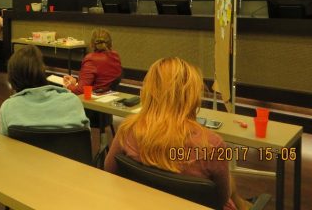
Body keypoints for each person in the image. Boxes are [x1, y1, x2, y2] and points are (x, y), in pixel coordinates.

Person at [104, 57, 251, 210]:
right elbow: (221, 200)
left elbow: (109, 171)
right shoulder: (212, 145)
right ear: (192, 98)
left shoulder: (127, 130)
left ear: (148, 91)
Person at [0, 45, 89, 136]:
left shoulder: (8, 108)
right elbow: (86, 138)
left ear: (12, 76)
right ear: (43, 71)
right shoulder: (73, 101)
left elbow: (4, 142)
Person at [63, 28, 122, 95]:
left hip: (93, 97)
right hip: (111, 95)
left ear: (92, 43)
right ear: (110, 42)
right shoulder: (115, 55)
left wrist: (68, 86)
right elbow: (102, 80)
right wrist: (76, 81)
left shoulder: (91, 59)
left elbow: (80, 91)